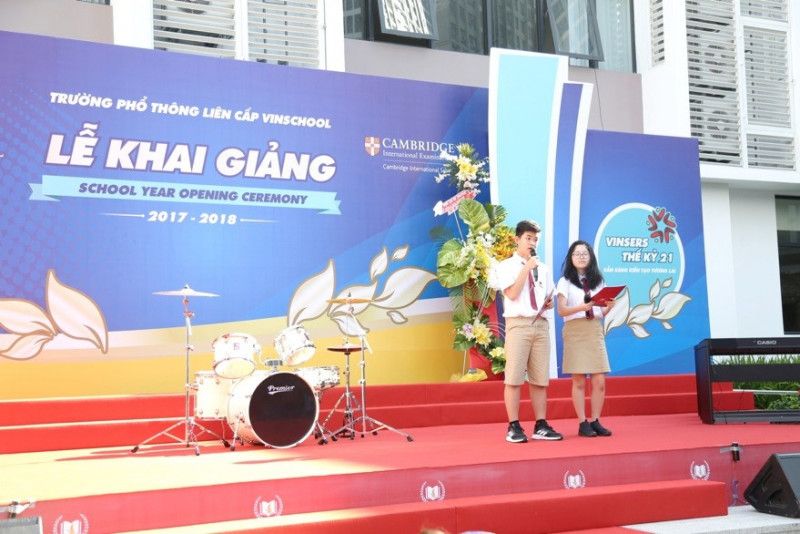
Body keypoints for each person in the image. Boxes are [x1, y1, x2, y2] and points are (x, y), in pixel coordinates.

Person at [489, 220, 562, 443]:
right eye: (528, 238)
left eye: (535, 239)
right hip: (518, 324)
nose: (532, 243)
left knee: (540, 379)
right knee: (514, 377)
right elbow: (511, 294)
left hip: (540, 324)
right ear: (517, 239)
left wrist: (548, 303)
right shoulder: (506, 266)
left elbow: (549, 297)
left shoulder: (544, 268)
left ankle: (541, 424)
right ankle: (513, 426)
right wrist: (526, 268)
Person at [555, 240, 614, 437]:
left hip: (594, 329)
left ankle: (596, 420)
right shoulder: (565, 282)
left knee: (599, 380)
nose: (581, 257)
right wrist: (582, 307)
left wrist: (609, 307)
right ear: (571, 258)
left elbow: (601, 312)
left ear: (591, 257)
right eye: (577, 253)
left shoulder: (598, 281)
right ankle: (582, 422)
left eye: (584, 253)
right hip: (575, 330)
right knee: (579, 380)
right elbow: (562, 311)